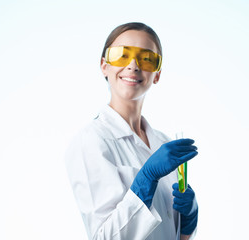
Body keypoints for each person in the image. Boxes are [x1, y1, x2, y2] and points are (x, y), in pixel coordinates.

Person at [64, 22, 199, 240]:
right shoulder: (91, 141)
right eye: (121, 55)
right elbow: (104, 237)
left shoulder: (164, 143)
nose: (133, 65)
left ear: (157, 74)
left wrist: (188, 223)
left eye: (146, 58)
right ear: (104, 66)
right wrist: (146, 179)